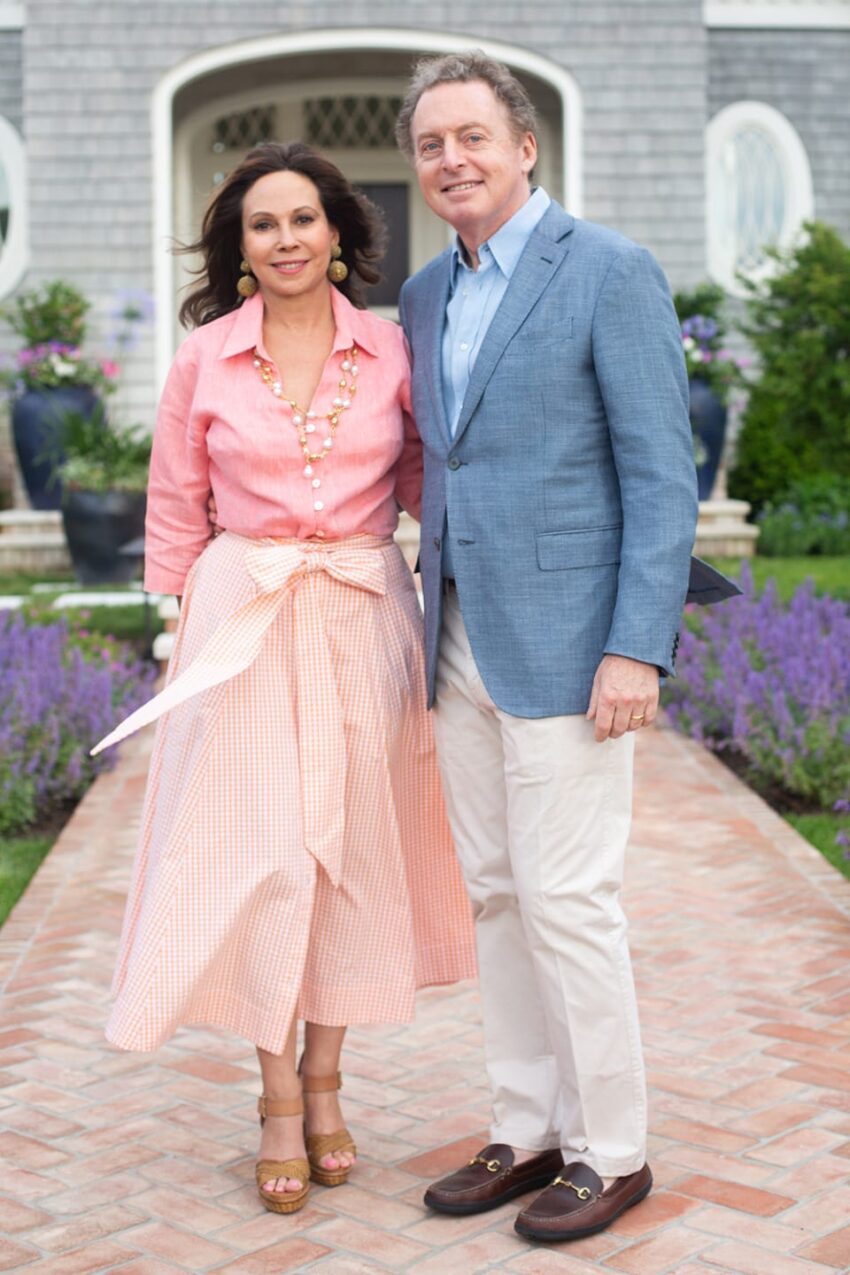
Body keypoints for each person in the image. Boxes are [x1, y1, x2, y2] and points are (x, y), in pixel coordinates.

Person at [92, 141, 476, 1216]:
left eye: (303, 219)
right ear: (241, 249)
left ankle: (326, 1083)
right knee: (259, 858)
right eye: (263, 225)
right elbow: (175, 508)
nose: (286, 239)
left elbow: (420, 489)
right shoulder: (204, 361)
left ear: (340, 236)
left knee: (348, 855)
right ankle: (271, 1101)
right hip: (243, 621)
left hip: (362, 616)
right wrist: (184, 637)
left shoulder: (396, 354)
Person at [394, 52, 737, 1243]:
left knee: (570, 899)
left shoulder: (607, 270)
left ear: (524, 145)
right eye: (431, 143)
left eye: (473, 137)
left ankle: (615, 1151)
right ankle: (527, 1124)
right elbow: (449, 462)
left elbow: (659, 475)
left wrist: (636, 646)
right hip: (459, 639)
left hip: (572, 641)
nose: (452, 160)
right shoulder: (426, 296)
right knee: (494, 894)